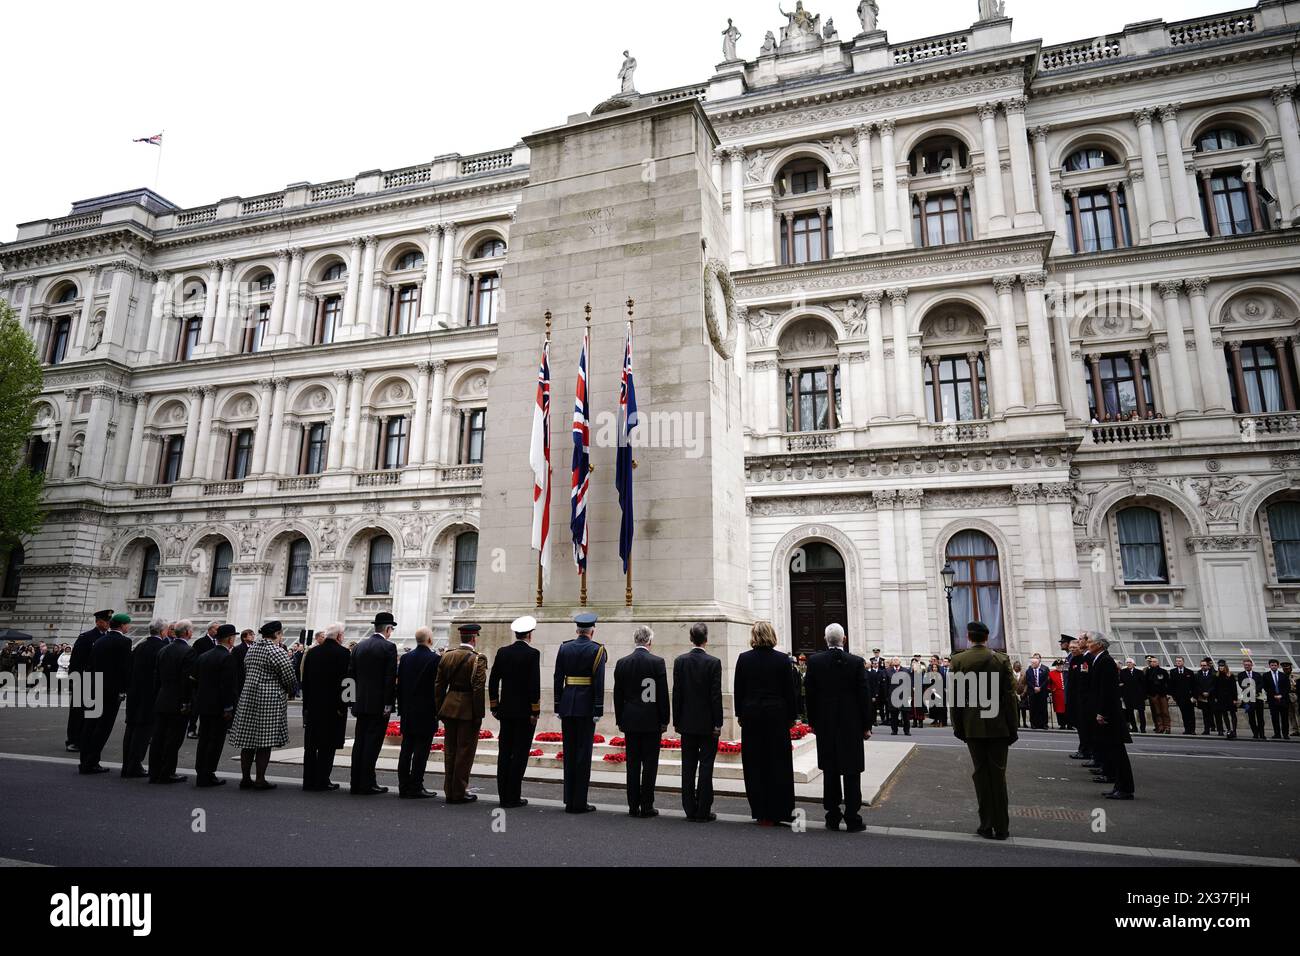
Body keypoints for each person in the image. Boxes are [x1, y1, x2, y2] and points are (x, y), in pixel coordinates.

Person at [949, 620, 1019, 839]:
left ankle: (985, 823)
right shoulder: (1001, 659)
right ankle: (1002, 827)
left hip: (973, 725)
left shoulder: (959, 660)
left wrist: (958, 726)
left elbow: (957, 698)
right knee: (998, 774)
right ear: (987, 637)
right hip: (999, 724)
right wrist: (1013, 727)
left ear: (969, 637)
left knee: (980, 774)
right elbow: (1010, 697)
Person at [802, 623, 872, 832]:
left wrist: (813, 723)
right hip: (851, 726)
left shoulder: (814, 662)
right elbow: (864, 696)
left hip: (826, 726)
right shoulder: (856, 662)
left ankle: (832, 816)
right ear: (845, 639)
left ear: (826, 640)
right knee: (852, 772)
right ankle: (852, 817)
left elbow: (810, 697)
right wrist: (866, 725)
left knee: (830, 771)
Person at [734, 621, 797, 826]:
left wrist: (740, 715)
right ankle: (781, 809)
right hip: (776, 716)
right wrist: (791, 717)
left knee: (754, 763)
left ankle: (760, 810)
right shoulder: (782, 660)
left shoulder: (744, 659)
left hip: (752, 715)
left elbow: (739, 690)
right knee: (778, 763)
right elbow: (790, 691)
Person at [228, 621, 298, 790]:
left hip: (248, 697)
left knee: (248, 741)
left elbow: (246, 669)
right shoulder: (276, 651)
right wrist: (291, 690)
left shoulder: (251, 649)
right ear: (277, 634)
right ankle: (260, 778)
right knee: (264, 742)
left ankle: (245, 778)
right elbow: (289, 676)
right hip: (269, 699)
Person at [613, 625, 670, 818]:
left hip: (630, 719)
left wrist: (620, 718)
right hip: (651, 719)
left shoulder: (622, 663)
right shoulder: (657, 662)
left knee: (633, 764)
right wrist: (664, 719)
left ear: (635, 640)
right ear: (650, 642)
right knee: (650, 764)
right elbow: (661, 694)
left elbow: (617, 695)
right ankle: (647, 805)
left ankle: (632, 805)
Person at [554, 612, 607, 814]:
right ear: (592, 631)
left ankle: (569, 800)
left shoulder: (564, 647)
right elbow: (599, 682)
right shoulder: (597, 650)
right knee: (583, 755)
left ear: (577, 630)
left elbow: (558, 678)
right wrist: (598, 708)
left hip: (567, 704)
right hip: (586, 707)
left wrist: (558, 704)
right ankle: (579, 802)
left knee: (569, 752)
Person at [673, 623, 723, 823]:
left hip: (686, 722)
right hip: (707, 723)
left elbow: (677, 694)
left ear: (691, 638)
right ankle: (703, 809)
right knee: (706, 766)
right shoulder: (714, 662)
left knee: (688, 766)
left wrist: (676, 721)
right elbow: (715, 696)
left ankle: (689, 808)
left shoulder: (680, 661)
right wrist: (718, 722)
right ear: (706, 639)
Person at [489, 616, 541, 809]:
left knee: (505, 753)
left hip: (506, 711)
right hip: (524, 713)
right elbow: (533, 685)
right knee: (519, 754)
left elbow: (493, 681)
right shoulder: (532, 654)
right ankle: (514, 795)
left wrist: (494, 706)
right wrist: (535, 710)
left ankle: (503, 795)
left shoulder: (503, 652)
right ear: (529, 635)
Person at [435, 623, 489, 804]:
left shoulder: (447, 656)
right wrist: (478, 714)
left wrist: (440, 707)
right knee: (464, 752)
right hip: (467, 710)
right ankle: (459, 791)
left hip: (449, 706)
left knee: (450, 750)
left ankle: (449, 789)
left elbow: (439, 685)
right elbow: (478, 688)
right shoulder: (478, 659)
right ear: (474, 638)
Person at [348, 612, 399, 795]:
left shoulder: (358, 647)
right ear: (387, 629)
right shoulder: (389, 647)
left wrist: (351, 701)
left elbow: (350, 677)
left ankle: (356, 782)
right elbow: (389, 679)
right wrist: (388, 705)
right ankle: (367, 783)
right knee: (372, 744)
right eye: (391, 629)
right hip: (378, 705)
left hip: (360, 703)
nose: (391, 632)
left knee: (360, 743)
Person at [78, 613, 133, 774]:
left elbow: (90, 664)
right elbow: (124, 668)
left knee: (89, 726)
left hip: (94, 687)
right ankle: (92, 761)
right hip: (111, 691)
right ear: (122, 626)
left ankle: (84, 761)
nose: (128, 628)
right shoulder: (125, 641)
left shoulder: (100, 640)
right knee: (103, 727)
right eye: (128, 625)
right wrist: (124, 689)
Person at [299, 622, 351, 792]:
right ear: (339, 636)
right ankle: (322, 779)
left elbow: (305, 682)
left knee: (311, 745)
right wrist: (347, 704)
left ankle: (308, 780)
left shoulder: (312, 653)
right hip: (333, 707)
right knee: (327, 746)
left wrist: (306, 706)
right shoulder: (344, 653)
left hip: (314, 705)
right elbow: (347, 682)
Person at [1086, 631, 1134, 800]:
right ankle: (1119, 786)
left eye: (1090, 641)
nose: (1087, 643)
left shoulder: (1105, 661)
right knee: (1113, 752)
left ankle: (1125, 788)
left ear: (1099, 644)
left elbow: (1107, 690)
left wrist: (1101, 712)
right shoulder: (1099, 660)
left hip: (1109, 716)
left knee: (1118, 753)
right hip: (1106, 714)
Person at [395, 625, 442, 799]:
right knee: (421, 752)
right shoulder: (434, 659)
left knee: (406, 749)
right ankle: (416, 785)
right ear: (430, 640)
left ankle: (403, 785)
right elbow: (437, 688)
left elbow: (399, 685)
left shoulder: (405, 658)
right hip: (426, 712)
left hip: (408, 710)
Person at [149, 619, 195, 784]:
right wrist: (187, 702)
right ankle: (167, 772)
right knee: (173, 739)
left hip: (162, 699)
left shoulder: (164, 649)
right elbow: (187, 681)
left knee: (158, 737)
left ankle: (154, 771)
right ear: (188, 633)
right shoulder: (188, 652)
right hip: (177, 703)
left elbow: (157, 677)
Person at [193, 624, 239, 787]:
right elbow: (228, 686)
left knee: (204, 739)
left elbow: (196, 680)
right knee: (216, 741)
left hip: (203, 704)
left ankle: (201, 771)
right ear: (229, 638)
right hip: (219, 706)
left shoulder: (204, 656)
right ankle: (208, 772)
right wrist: (228, 707)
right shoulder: (227, 658)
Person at [121, 617, 166, 778]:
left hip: (135, 693)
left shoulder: (140, 646)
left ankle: (127, 764)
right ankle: (134, 765)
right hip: (151, 696)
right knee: (144, 731)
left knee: (131, 729)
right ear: (162, 631)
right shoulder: (163, 648)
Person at [67, 609, 112, 752]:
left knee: (93, 712)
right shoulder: (86, 637)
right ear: (98, 621)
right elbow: (76, 661)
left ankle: (86, 738)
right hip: (84, 679)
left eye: (109, 621)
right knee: (78, 713)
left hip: (99, 680)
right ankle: (73, 740)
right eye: (106, 621)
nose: (108, 623)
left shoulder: (109, 637)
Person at [186, 622, 220, 739]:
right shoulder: (200, 642)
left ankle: (203, 730)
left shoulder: (217, 642)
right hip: (200, 679)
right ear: (210, 630)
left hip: (212, 679)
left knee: (207, 706)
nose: (218, 631)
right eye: (216, 629)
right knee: (196, 706)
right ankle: (191, 728)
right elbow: (195, 660)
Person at [1262, 659, 1292, 740]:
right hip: (1272, 700)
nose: (1274, 666)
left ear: (1278, 666)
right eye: (1272, 665)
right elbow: (1266, 687)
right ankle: (1277, 734)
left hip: (1283, 699)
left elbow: (1287, 687)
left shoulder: (1284, 675)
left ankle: (1285, 734)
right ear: (1269, 666)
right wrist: (1274, 695)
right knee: (1275, 718)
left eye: (1275, 665)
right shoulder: (1265, 675)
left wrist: (1281, 695)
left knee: (1284, 718)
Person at [1238, 658, 1265, 740]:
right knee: (1251, 717)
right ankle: (1255, 733)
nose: (1247, 666)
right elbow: (1242, 685)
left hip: (1258, 697)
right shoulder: (1241, 675)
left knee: (1260, 717)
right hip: (1248, 698)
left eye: (1248, 665)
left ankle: (1262, 733)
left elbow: (1261, 684)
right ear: (1243, 665)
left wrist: (1254, 690)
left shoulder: (1257, 674)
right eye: (1245, 665)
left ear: (1251, 665)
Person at [1212, 660, 1239, 740]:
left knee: (1233, 714)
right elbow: (1215, 688)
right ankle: (1229, 730)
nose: (1221, 667)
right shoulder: (1216, 676)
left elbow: (1234, 688)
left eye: (1222, 666)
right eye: (1220, 666)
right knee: (1224, 714)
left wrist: (1235, 699)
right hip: (1221, 698)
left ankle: (1234, 730)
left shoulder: (1230, 675)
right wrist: (1216, 697)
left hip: (1230, 698)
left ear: (1225, 666)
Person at [1119, 657, 1147, 734]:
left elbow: (1143, 685)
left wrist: (1144, 696)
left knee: (1141, 712)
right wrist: (1122, 695)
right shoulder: (1123, 672)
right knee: (1130, 713)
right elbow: (1121, 684)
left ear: (1134, 664)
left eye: (1130, 662)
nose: (1128, 664)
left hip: (1139, 696)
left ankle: (1143, 728)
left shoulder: (1139, 672)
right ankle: (1134, 727)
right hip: (1128, 696)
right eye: (1127, 662)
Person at [1143, 656, 1171, 734]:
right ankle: (1160, 727)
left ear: (1158, 662)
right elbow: (1146, 684)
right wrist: (1147, 694)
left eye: (1155, 661)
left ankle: (1167, 727)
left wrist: (1168, 693)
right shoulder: (1147, 672)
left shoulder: (1163, 671)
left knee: (1165, 712)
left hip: (1162, 694)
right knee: (1157, 712)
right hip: (1153, 694)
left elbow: (1168, 683)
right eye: (1152, 662)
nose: (1153, 663)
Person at [1169, 656, 1196, 734]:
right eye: (1177, 661)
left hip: (1189, 697)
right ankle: (1187, 729)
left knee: (1191, 714)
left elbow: (1193, 685)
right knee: (1184, 714)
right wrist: (1173, 695)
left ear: (1183, 662)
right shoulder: (1173, 672)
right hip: (1179, 697)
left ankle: (1192, 730)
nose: (1178, 662)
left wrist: (1194, 696)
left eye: (1180, 661)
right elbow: (1171, 685)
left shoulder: (1189, 672)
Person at [1024, 653, 1051, 730]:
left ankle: (1044, 724)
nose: (1034, 662)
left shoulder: (1045, 669)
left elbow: (1047, 680)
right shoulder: (1029, 670)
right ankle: (1033, 723)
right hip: (1032, 692)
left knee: (1043, 708)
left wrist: (1040, 688)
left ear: (1039, 661)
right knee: (1033, 708)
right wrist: (1034, 688)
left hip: (1042, 692)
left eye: (1037, 659)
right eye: (1033, 659)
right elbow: (1028, 681)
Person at [1192, 658, 1216, 735]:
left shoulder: (1213, 674)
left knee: (1213, 713)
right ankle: (1206, 729)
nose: (1203, 667)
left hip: (1211, 696)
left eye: (1204, 665)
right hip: (1202, 697)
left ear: (1208, 666)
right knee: (1205, 714)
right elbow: (1196, 685)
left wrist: (1208, 692)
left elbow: (1215, 685)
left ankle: (1217, 728)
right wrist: (1202, 692)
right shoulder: (1198, 674)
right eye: (1202, 665)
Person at [1049, 660, 1068, 728]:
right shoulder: (1051, 673)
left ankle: (1069, 724)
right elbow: (1049, 684)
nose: (1059, 666)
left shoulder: (1066, 672)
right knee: (1059, 711)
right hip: (1057, 695)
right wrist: (1052, 690)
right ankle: (1061, 724)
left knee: (1068, 710)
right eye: (1057, 665)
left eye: (1060, 665)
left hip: (1066, 694)